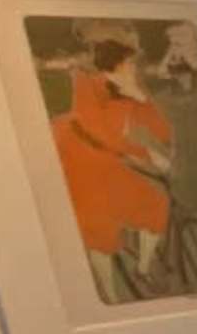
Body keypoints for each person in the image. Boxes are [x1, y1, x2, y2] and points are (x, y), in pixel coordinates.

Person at [53, 36, 177, 302]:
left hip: (109, 161)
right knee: (101, 231)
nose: (135, 68)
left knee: (155, 206)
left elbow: (161, 129)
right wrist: (146, 154)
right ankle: (111, 296)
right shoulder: (86, 85)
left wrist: (142, 99)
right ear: (117, 64)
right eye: (130, 63)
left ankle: (142, 269)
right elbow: (98, 133)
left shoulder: (129, 86)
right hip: (78, 160)